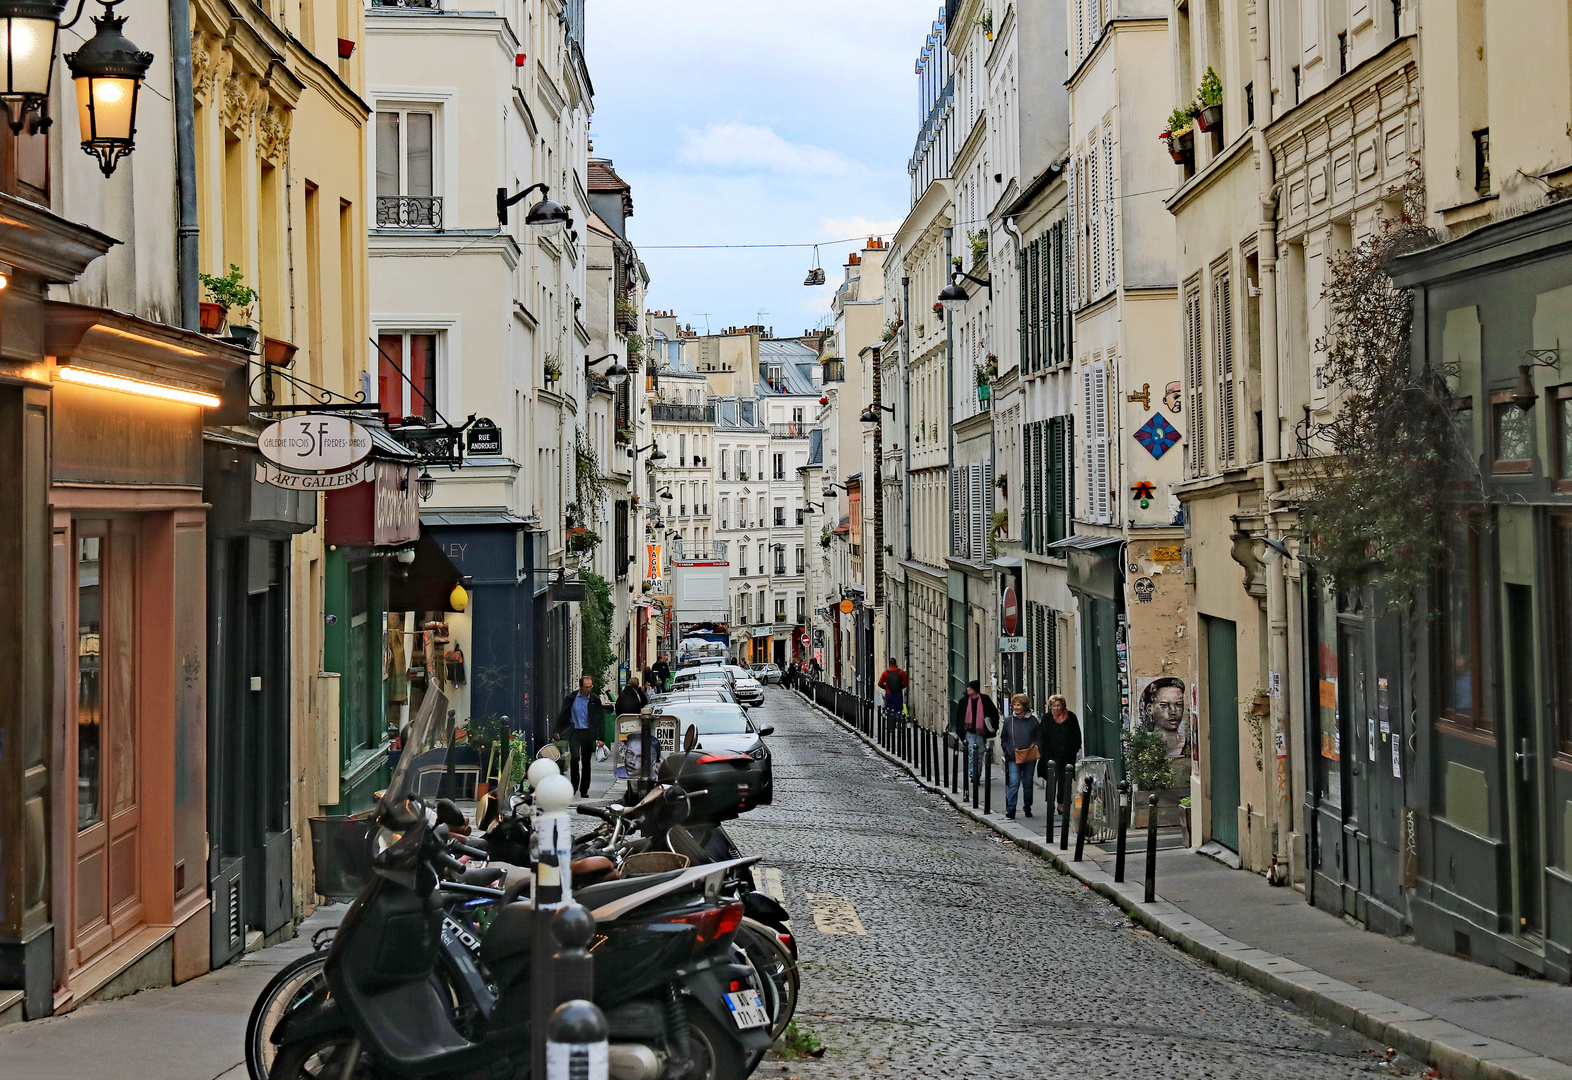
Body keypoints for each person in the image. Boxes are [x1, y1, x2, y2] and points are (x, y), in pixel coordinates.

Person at [557, 676, 606, 798]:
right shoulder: (571, 698)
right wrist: (557, 730)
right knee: (574, 758)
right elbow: (563, 715)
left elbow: (600, 719)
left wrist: (601, 738)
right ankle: (573, 786)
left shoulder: (594, 700)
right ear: (580, 687)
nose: (589, 689)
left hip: (588, 732)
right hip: (574, 732)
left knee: (586, 762)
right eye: (586, 687)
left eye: (590, 687)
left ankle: (584, 789)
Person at [1038, 694, 1083, 817]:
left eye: (1058, 705)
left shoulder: (1071, 717)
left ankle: (1062, 804)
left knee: (1065, 780)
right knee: (1051, 779)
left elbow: (1076, 735)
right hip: (1050, 756)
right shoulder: (1047, 719)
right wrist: (1042, 752)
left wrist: (1074, 749)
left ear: (1063, 706)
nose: (1056, 708)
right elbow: (1041, 736)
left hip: (1067, 755)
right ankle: (1050, 803)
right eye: (1053, 706)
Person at [949, 680, 999, 786]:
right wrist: (960, 732)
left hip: (981, 732)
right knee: (972, 752)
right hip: (969, 732)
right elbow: (958, 718)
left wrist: (992, 727)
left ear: (975, 689)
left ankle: (978, 773)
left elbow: (994, 713)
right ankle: (973, 774)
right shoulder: (964, 701)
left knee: (980, 753)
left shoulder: (985, 700)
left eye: (970, 688)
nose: (968, 689)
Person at [1000, 693, 1042, 819]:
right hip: (1014, 756)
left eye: (1018, 705)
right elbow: (1004, 739)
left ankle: (1027, 807)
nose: (1016, 707)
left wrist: (1034, 746)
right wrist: (1010, 751)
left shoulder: (1033, 721)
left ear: (1024, 706)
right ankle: (1011, 808)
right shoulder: (1009, 721)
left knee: (1028, 783)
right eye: (1014, 705)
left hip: (1029, 756)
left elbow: (1038, 737)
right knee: (1014, 781)